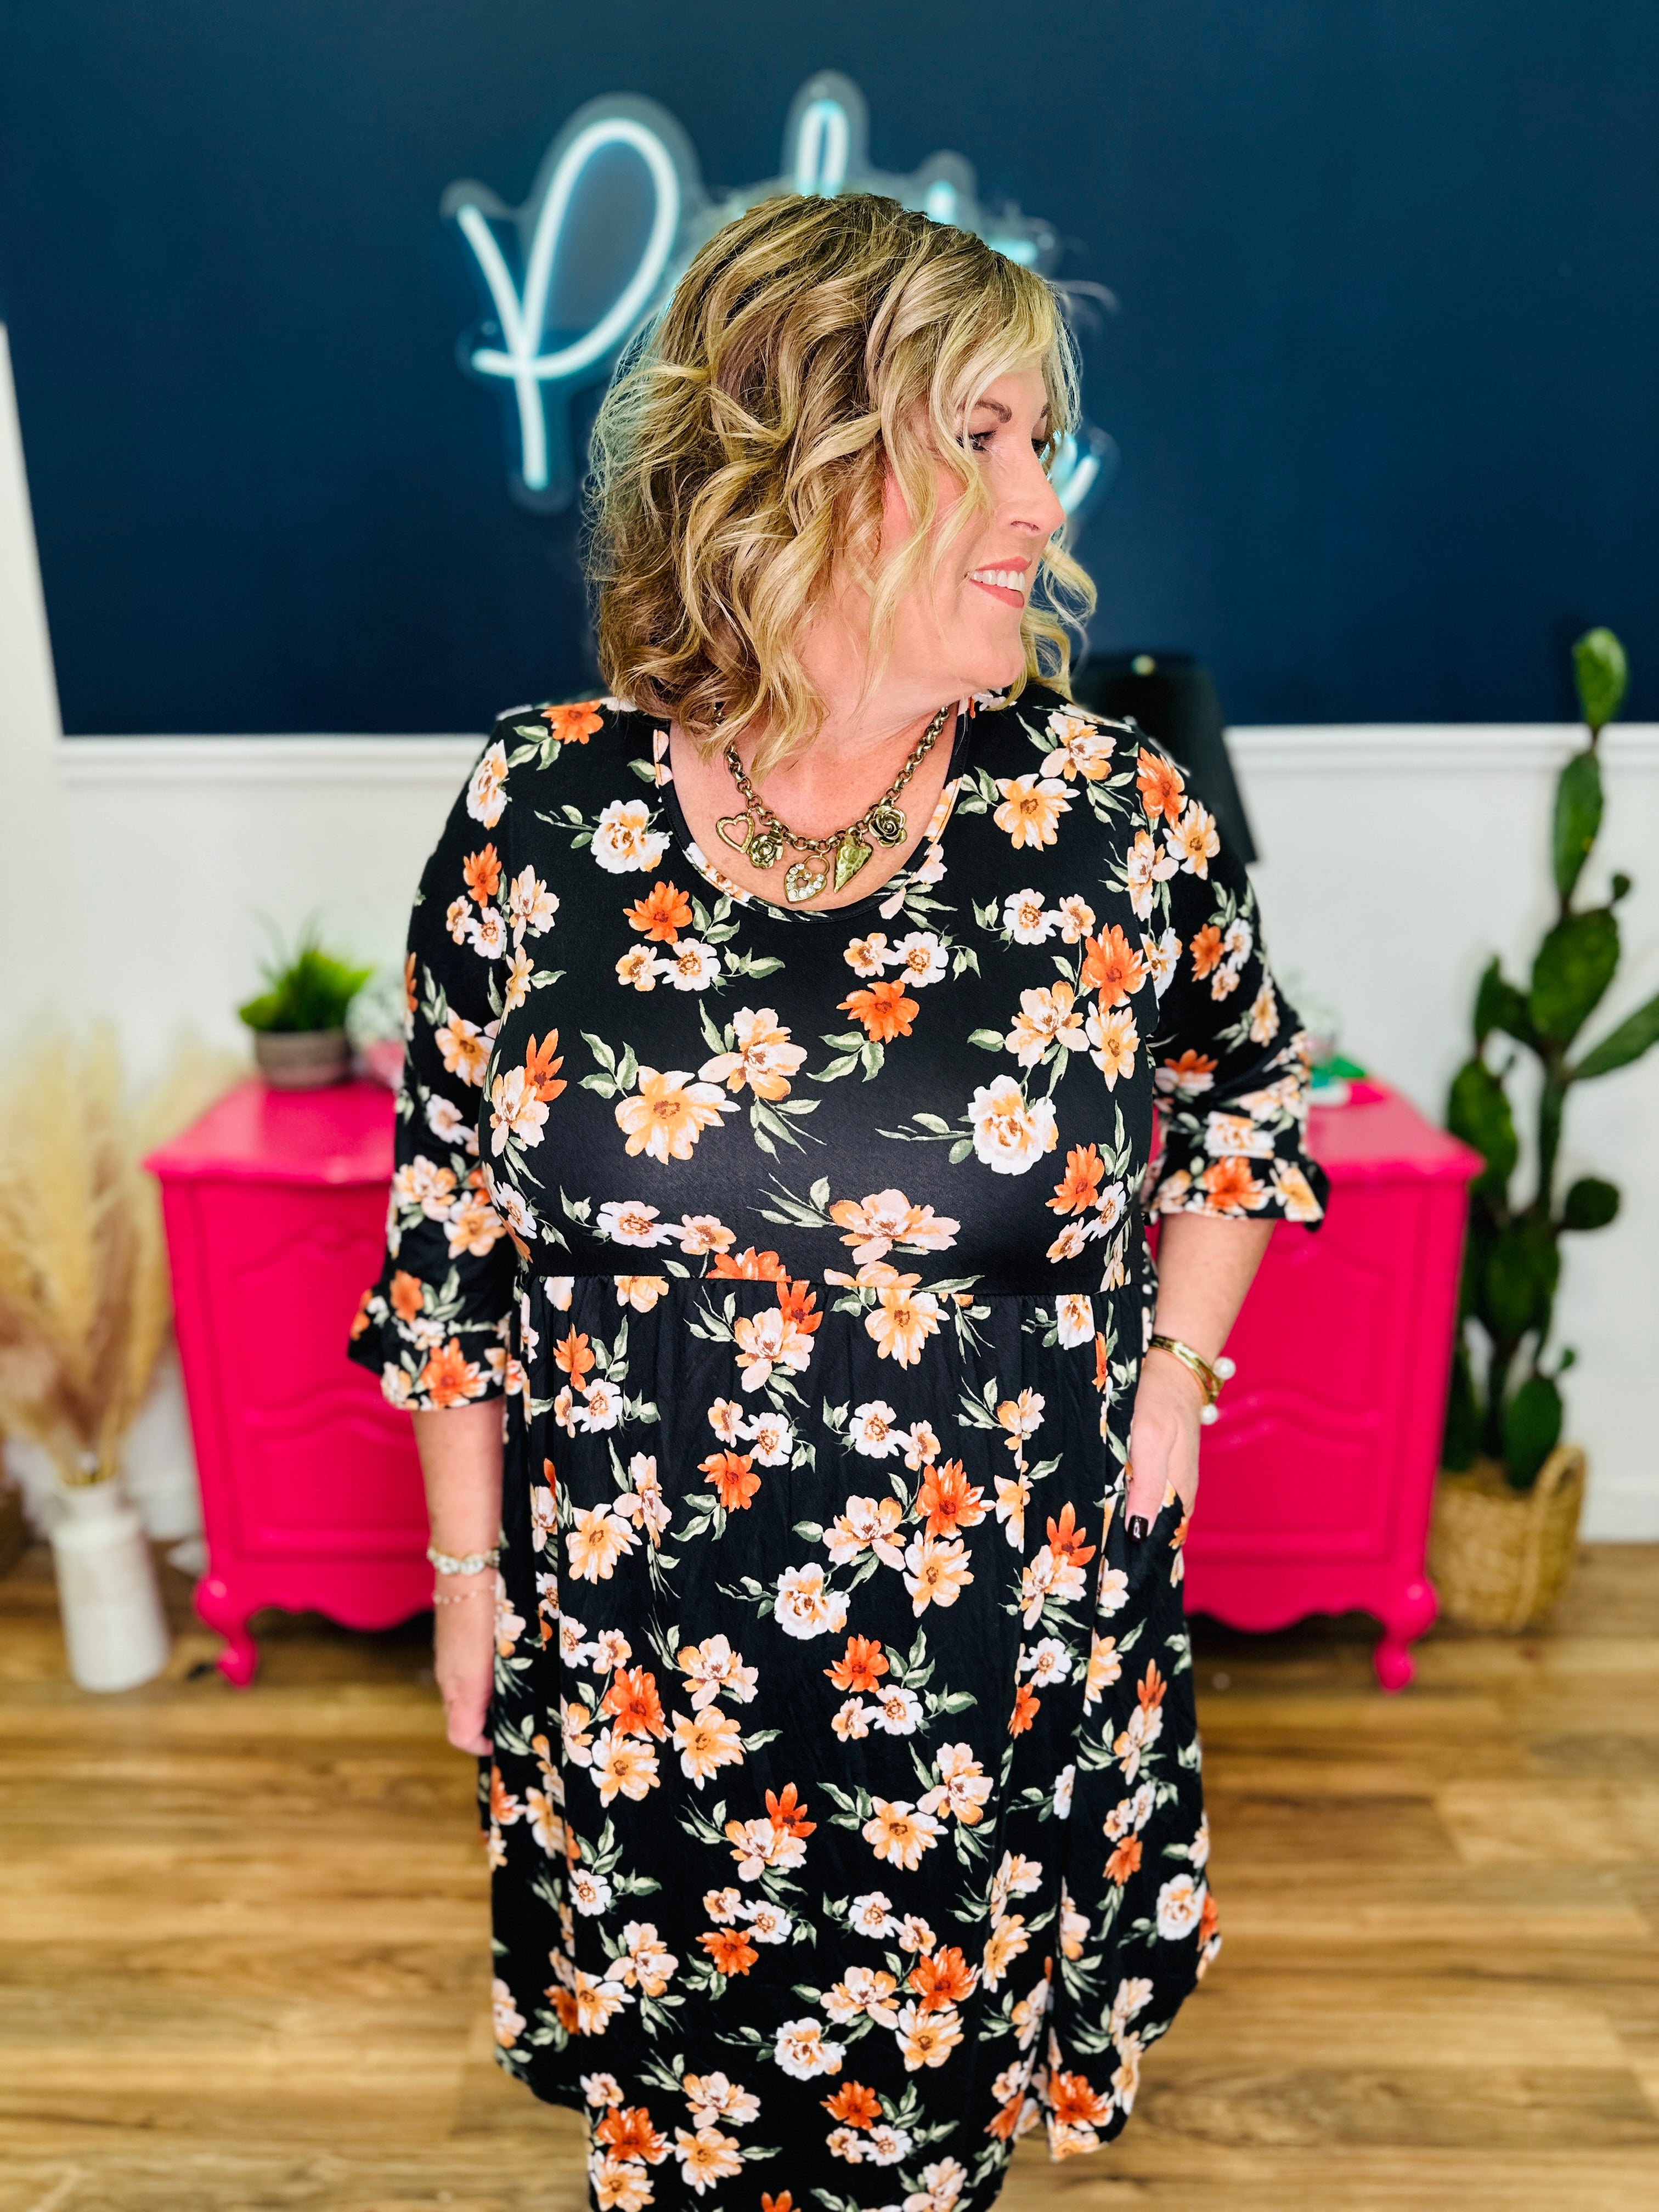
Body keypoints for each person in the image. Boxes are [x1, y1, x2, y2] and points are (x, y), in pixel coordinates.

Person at [349, 191, 1327, 2212]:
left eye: (1042, 441)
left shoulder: (1109, 815)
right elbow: (451, 1218)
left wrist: (1177, 1376)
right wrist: (464, 1571)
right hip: (642, 1677)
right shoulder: (540, 810)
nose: (1040, 502)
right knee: (673, 2149)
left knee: (928, 2156)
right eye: (980, 437)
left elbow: (1248, 1090)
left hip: (994, 1668)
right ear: (788, 458)